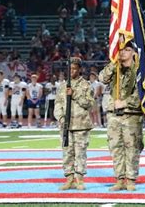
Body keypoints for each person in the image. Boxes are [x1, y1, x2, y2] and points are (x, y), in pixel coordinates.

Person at [99, 40, 143, 191]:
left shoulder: (139, 71)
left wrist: (125, 103)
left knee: (132, 147)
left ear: (134, 53)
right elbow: (102, 78)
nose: (123, 52)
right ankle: (119, 178)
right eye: (121, 49)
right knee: (115, 147)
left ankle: (130, 179)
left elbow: (143, 94)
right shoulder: (115, 69)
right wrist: (113, 62)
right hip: (114, 115)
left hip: (131, 115)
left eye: (126, 50)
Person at [55, 58, 95, 191]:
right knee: (67, 153)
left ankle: (80, 179)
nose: (71, 71)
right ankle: (69, 179)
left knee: (80, 153)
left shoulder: (86, 85)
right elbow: (58, 104)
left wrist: (75, 94)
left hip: (81, 124)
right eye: (69, 69)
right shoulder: (62, 86)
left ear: (80, 69)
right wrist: (60, 118)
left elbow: (89, 104)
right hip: (65, 125)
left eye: (74, 68)